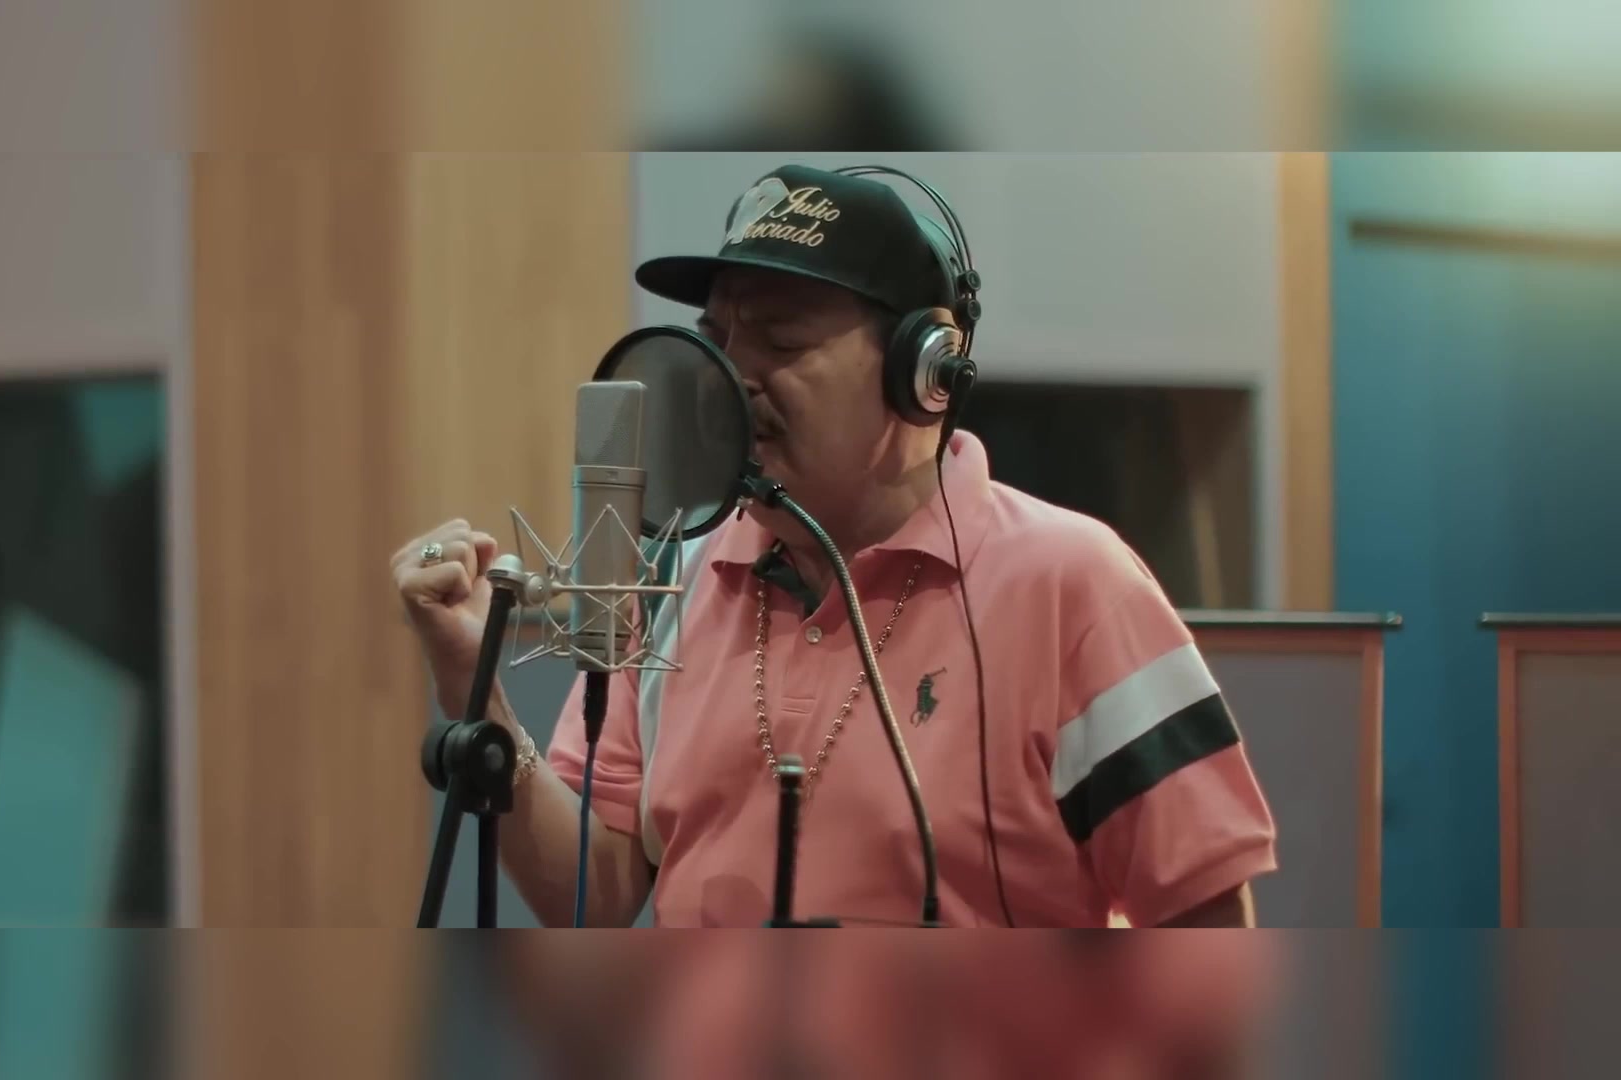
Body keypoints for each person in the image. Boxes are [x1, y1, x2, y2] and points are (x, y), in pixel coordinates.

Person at [391, 163, 1277, 928]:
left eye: (779, 340)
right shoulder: (676, 577)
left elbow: (1202, 920)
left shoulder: (1074, 585)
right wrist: (472, 683)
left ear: (922, 372)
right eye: (715, 341)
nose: (728, 379)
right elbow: (593, 889)